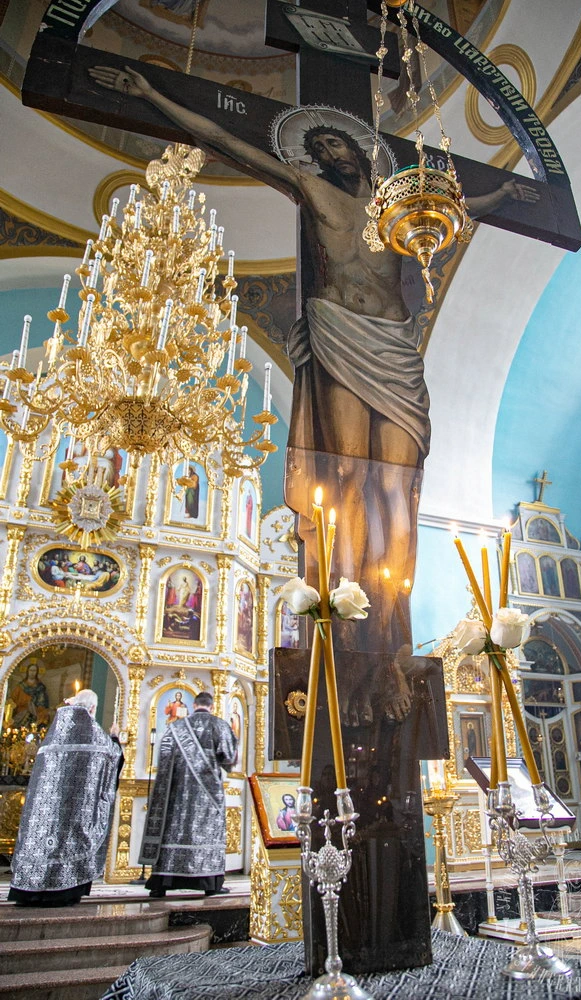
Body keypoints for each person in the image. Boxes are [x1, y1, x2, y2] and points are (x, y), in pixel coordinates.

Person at [88, 63, 538, 662]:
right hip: (337, 331)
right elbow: (225, 139)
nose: (330, 153)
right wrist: (151, 93)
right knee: (346, 472)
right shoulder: (311, 188)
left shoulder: (397, 209)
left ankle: (390, 613)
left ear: (358, 151)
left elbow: (452, 206)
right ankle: (344, 607)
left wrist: (502, 196)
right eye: (320, 147)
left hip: (395, 345)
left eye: (337, 144)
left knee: (397, 484)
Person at [9, 689, 123, 906]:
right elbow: (114, 758)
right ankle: (62, 891)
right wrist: (115, 737)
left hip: (44, 812)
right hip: (73, 811)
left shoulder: (55, 731)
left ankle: (29, 892)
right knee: (69, 843)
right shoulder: (93, 733)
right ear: (92, 708)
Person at [140, 690, 238, 897]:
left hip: (176, 793)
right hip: (207, 795)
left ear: (194, 705)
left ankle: (162, 883)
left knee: (173, 830)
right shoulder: (219, 725)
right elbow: (229, 759)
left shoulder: (175, 727)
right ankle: (210, 884)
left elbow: (164, 757)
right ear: (212, 706)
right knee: (207, 832)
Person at [9, 662, 50, 726]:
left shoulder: (40, 687)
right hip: (21, 711)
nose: (32, 672)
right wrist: (24, 703)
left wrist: (35, 707)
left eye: (34, 670)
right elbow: (12, 701)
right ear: (27, 671)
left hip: (37, 711)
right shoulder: (21, 686)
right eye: (31, 670)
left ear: (37, 672)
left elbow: (43, 703)